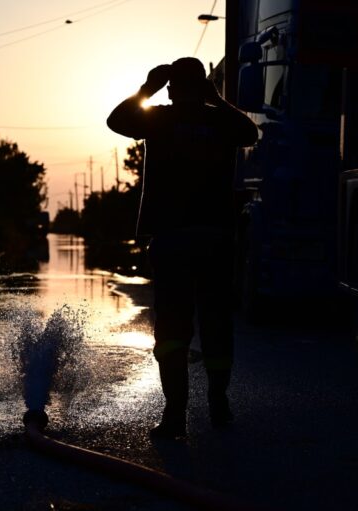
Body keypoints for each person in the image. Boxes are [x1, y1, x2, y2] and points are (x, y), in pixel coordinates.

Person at [107, 57, 258, 438]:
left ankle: (175, 414)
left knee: (173, 329)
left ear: (171, 90)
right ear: (204, 87)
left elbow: (116, 120)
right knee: (216, 324)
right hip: (215, 238)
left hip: (171, 238)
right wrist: (218, 100)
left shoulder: (157, 117)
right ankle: (218, 403)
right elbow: (250, 133)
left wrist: (146, 89)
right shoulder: (220, 120)